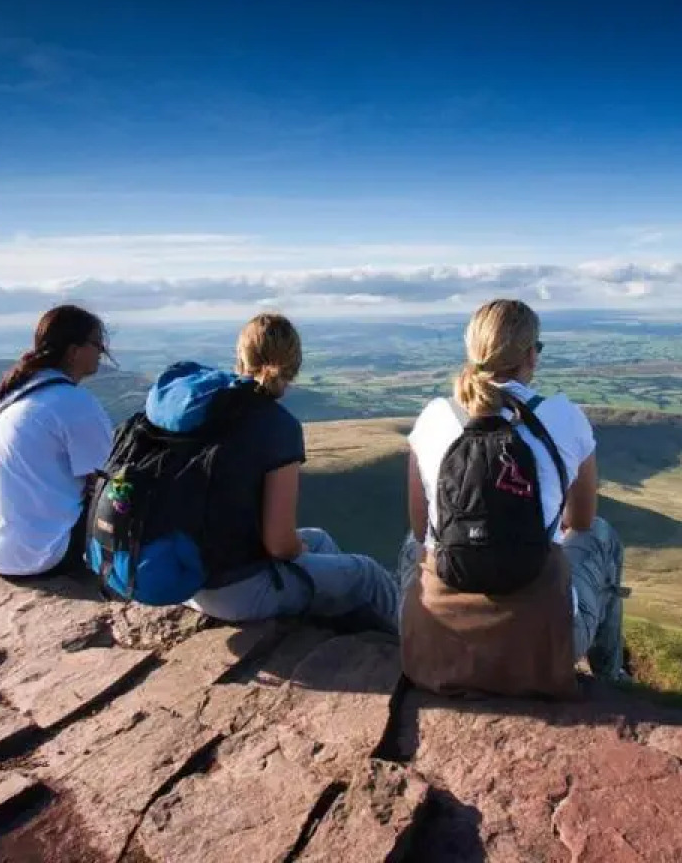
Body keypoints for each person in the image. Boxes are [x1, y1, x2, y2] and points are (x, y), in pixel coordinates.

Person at [400, 298, 626, 697]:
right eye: (537, 348)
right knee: (602, 535)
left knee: (413, 542)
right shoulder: (565, 417)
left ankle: (409, 629)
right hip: (543, 645)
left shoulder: (434, 416)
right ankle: (610, 676)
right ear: (528, 356)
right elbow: (583, 520)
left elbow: (421, 529)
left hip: (444, 639)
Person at [159, 313, 401, 633]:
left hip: (180, 577)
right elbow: (280, 546)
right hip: (233, 592)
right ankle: (412, 659)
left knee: (319, 539)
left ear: (240, 357)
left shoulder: (204, 409)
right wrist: (294, 552)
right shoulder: (276, 425)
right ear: (294, 364)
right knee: (368, 574)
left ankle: (333, 631)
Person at [0, 305, 115, 577]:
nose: (102, 352)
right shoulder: (73, 402)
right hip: (40, 554)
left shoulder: (17, 395)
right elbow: (113, 480)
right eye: (97, 344)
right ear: (73, 351)